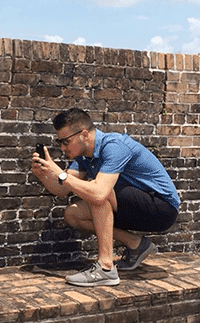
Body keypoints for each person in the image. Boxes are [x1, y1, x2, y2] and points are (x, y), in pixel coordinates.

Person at [31, 108, 180, 287]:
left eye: (66, 141)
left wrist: (61, 175)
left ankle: (106, 269)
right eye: (59, 142)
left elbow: (100, 193)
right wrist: (44, 174)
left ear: (84, 135)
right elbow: (63, 189)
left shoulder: (114, 146)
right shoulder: (84, 157)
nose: (62, 147)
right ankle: (136, 244)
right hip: (133, 206)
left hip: (162, 208)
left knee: (98, 191)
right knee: (73, 214)